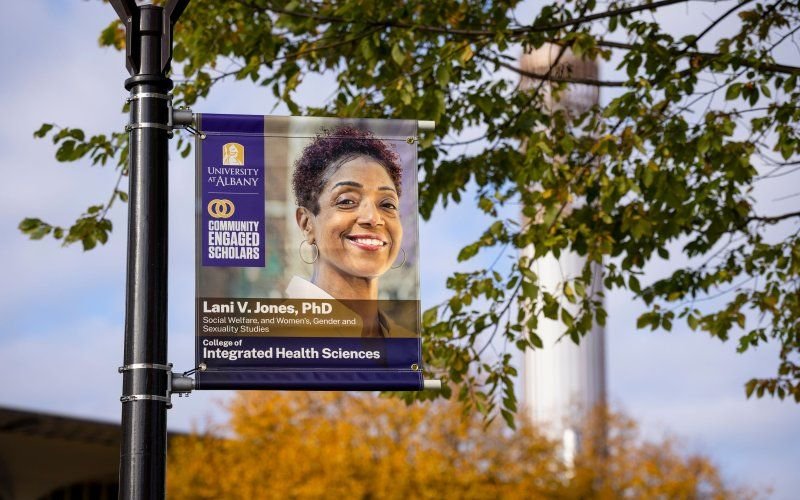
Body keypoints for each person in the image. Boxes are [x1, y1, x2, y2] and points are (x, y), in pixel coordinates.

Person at [287, 127, 408, 338]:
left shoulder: (409, 345)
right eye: (347, 201)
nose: (373, 218)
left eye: (387, 204)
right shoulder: (268, 337)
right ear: (307, 223)